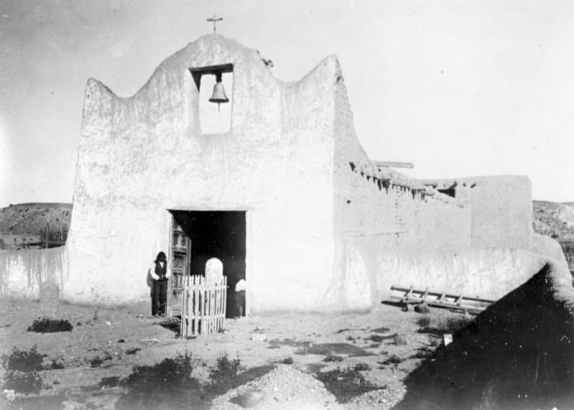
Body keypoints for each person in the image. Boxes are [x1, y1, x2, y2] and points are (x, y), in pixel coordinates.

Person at [149, 251, 171, 317]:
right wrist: (158, 277)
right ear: (158, 257)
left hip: (164, 281)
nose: (162, 258)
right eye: (160, 257)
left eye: (163, 257)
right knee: (156, 296)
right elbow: (152, 272)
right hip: (157, 282)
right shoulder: (154, 263)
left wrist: (165, 276)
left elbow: (168, 271)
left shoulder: (166, 263)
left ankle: (162, 312)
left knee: (163, 296)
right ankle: (155, 312)